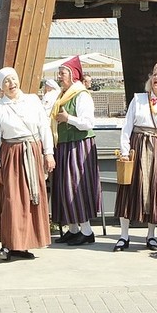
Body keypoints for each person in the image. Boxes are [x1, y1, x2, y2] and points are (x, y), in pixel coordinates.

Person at [0, 67, 55, 260]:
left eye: (13, 79)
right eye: (6, 82)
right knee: (12, 200)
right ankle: (9, 244)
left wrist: (48, 153)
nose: (11, 84)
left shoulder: (33, 100)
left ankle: (25, 244)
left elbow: (44, 127)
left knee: (30, 199)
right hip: (12, 153)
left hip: (32, 152)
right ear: (2, 87)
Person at [113, 61, 157, 251]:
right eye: (154, 75)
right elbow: (127, 127)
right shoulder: (138, 99)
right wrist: (125, 152)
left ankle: (151, 236)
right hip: (136, 147)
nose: (156, 78)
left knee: (154, 191)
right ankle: (123, 236)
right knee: (128, 190)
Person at [49, 55, 101, 246]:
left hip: (78, 146)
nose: (59, 76)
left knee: (76, 187)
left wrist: (68, 118)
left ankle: (87, 232)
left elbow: (88, 122)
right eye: (60, 73)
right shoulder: (63, 95)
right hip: (65, 145)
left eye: (63, 73)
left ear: (73, 76)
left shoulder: (81, 95)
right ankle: (73, 229)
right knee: (64, 187)